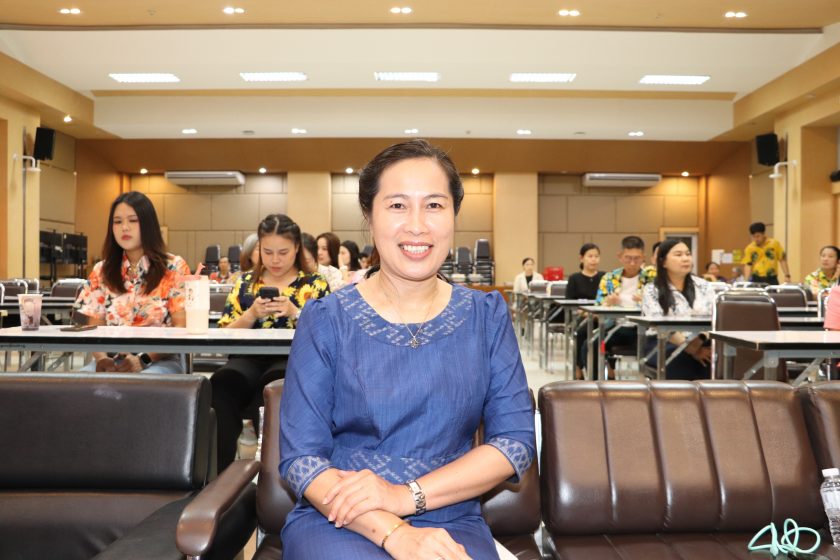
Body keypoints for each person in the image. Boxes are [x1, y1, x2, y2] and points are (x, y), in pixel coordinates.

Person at [279, 139, 535, 559]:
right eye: (397, 205)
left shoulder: (486, 316)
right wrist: (395, 533)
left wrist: (404, 496)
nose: (417, 225)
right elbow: (301, 459)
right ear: (369, 216)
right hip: (342, 515)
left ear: (453, 216)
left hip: (450, 515)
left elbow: (514, 444)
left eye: (434, 205)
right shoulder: (326, 319)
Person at [212, 214, 330, 469]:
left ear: (297, 248)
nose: (275, 260)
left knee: (275, 385)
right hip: (246, 358)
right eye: (267, 252)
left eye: (283, 252)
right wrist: (251, 314)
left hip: (293, 358)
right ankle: (218, 474)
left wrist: (295, 313)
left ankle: (274, 475)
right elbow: (225, 332)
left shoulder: (314, 284)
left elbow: (326, 333)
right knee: (222, 383)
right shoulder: (245, 282)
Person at [74, 191, 189, 374]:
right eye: (118, 222)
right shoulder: (101, 271)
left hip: (159, 360)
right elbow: (94, 328)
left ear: (148, 225)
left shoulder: (174, 267)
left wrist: (143, 359)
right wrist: (102, 359)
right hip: (113, 359)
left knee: (139, 385)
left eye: (133, 220)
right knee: (78, 382)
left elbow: (181, 327)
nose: (125, 228)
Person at [641, 239, 714, 380]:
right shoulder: (652, 290)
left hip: (701, 339)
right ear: (663, 262)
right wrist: (692, 350)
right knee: (682, 360)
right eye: (678, 255)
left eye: (688, 254)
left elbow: (714, 318)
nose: (685, 258)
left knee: (716, 357)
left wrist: (698, 342)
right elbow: (661, 327)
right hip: (663, 341)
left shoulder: (704, 286)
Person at [594, 236, 656, 375]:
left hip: (645, 329)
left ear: (643, 257)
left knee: (656, 346)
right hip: (617, 327)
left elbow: (663, 305)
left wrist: (646, 301)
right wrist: (607, 303)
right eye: (628, 258)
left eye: (637, 258)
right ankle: (597, 381)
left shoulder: (652, 277)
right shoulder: (609, 278)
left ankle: (650, 381)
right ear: (620, 256)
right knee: (592, 344)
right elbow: (598, 308)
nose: (632, 263)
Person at [565, 243, 604, 379]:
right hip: (581, 317)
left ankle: (609, 369)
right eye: (590, 256)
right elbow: (570, 302)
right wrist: (587, 313)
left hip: (601, 317)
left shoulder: (604, 277)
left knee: (605, 334)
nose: (594, 259)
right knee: (582, 332)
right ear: (581, 258)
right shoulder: (574, 278)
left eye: (596, 256)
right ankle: (578, 367)